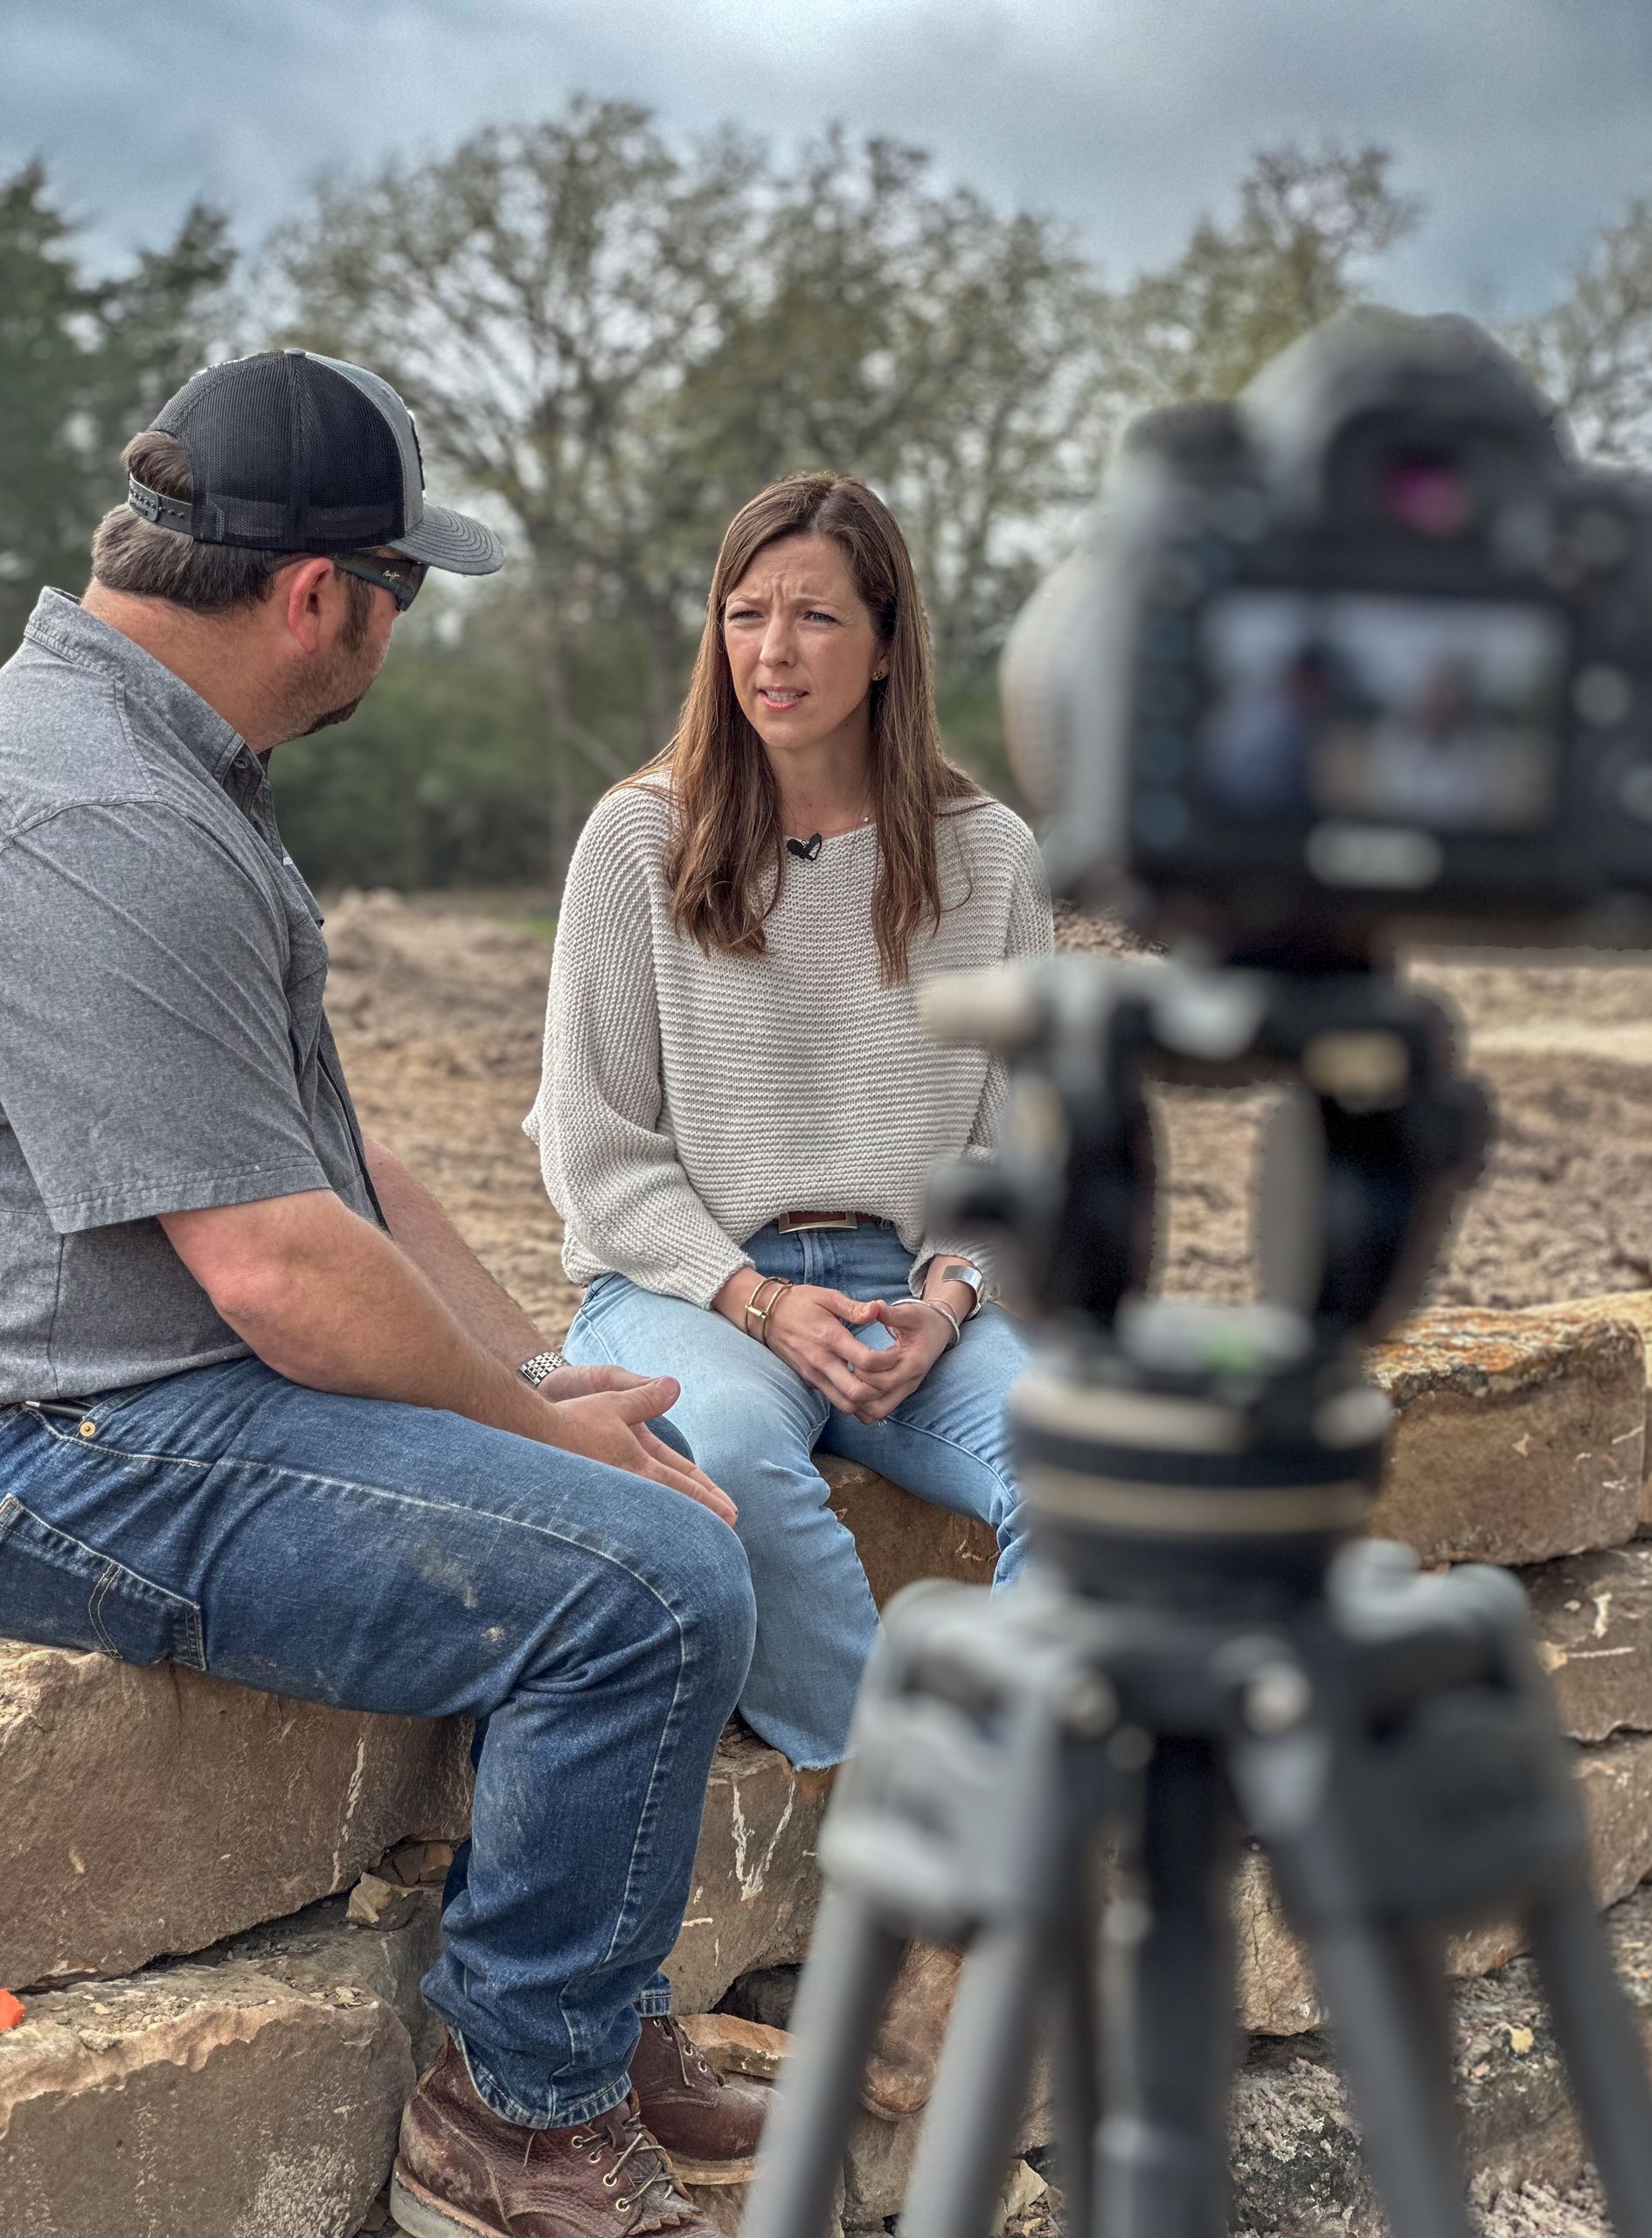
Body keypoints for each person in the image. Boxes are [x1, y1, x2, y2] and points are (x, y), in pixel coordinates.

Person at [0, 351, 768, 2238]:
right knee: (649, 1580)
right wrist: (551, 1448)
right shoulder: (106, 817)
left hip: (154, 1380)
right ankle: (515, 2125)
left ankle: (581, 2015)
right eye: (404, 594)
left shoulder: (161, 764)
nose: (395, 634)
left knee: (604, 1493)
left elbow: (358, 1179)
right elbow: (277, 1271)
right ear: (319, 596)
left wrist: (531, 1374)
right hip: (73, 1435)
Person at [525, 473, 1053, 2114]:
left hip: (916, 1290)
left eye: (817, 612)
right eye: (747, 613)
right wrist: (757, 1301)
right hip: (691, 1286)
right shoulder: (642, 835)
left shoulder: (986, 855)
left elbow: (1027, 1140)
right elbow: (594, 1152)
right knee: (735, 1461)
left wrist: (954, 1300)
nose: (775, 647)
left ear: (889, 642)